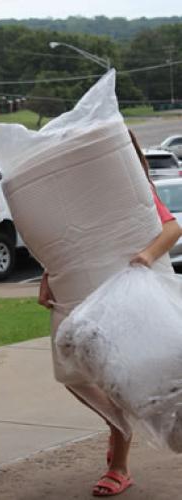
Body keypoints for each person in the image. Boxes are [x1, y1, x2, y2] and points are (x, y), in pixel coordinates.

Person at [38, 129, 181, 497]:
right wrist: (49, 275)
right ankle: (122, 423)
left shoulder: (132, 189)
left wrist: (146, 258)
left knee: (115, 377)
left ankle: (119, 463)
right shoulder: (79, 194)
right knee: (70, 374)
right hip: (85, 293)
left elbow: (172, 227)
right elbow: (67, 240)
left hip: (125, 298)